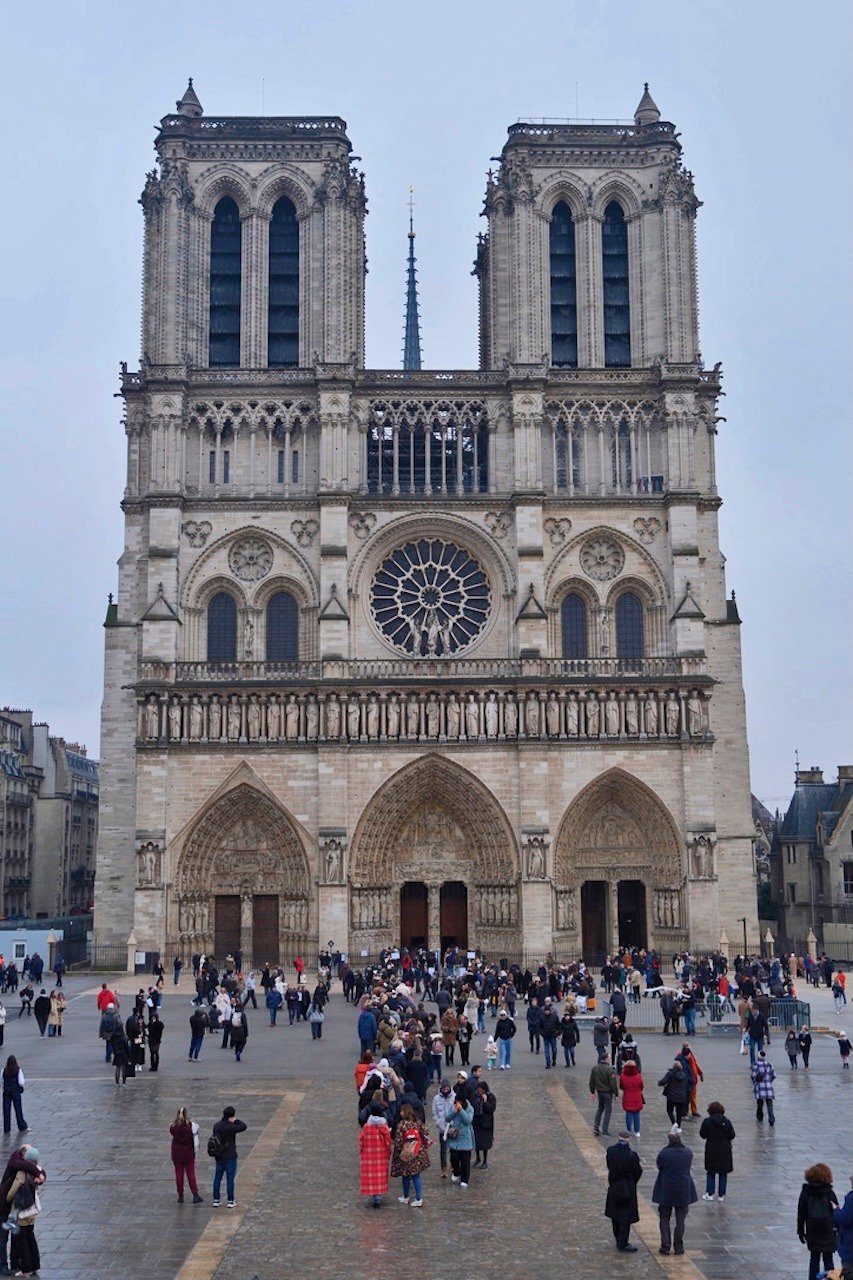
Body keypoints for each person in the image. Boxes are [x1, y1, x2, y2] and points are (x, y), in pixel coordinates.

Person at [652, 1125, 698, 1256]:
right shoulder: (688, 1153)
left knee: (664, 1218)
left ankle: (665, 1246)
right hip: (683, 1189)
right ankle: (679, 1246)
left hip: (666, 1189)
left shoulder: (664, 1153)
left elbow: (660, 1166)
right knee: (681, 1220)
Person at [0, 1144, 44, 1275]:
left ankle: (16, 1264)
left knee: (18, 1235)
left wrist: (41, 1175)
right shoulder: (16, 1162)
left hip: (17, 1208)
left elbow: (40, 1171)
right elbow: (12, 1191)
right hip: (6, 1205)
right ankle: (4, 1265)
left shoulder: (26, 1166)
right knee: (4, 1237)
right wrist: (38, 1174)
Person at [798, 1163, 839, 1280]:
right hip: (828, 1231)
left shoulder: (806, 1192)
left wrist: (800, 1231)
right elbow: (836, 1212)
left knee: (814, 1259)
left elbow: (801, 1213)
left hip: (812, 1230)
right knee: (828, 1259)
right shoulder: (829, 1192)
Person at [605, 1131, 643, 1252]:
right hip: (628, 1188)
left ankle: (617, 1239)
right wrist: (632, 1181)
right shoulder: (632, 1155)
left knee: (615, 1215)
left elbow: (609, 1165)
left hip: (614, 1186)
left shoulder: (611, 1151)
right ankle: (623, 1242)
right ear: (628, 1139)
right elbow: (638, 1171)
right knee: (625, 1217)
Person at [391, 1103, 430, 1207]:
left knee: (406, 1175)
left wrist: (397, 1153)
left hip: (406, 1153)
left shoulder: (402, 1124)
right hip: (418, 1152)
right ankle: (416, 1197)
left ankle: (409, 1197)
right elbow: (426, 1131)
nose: (400, 1113)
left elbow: (399, 1140)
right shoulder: (417, 1122)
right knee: (415, 1175)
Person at [210, 1106, 247, 1208]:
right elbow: (243, 1126)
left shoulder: (217, 1125)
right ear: (232, 1115)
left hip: (219, 1156)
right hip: (230, 1156)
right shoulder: (231, 1127)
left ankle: (216, 1199)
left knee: (217, 1178)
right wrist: (235, 1120)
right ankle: (230, 1201)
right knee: (230, 1179)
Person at [699, 1101, 735, 1201]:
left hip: (711, 1149)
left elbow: (702, 1135)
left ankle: (709, 1193)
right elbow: (732, 1135)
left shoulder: (707, 1121)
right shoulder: (726, 1122)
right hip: (724, 1150)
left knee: (711, 1172)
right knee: (723, 1173)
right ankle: (721, 1195)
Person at [359, 1102, 393, 1208]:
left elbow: (361, 1140)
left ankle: (375, 1196)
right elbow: (388, 1141)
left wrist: (362, 1152)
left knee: (372, 1177)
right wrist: (389, 1151)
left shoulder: (366, 1127)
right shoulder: (384, 1127)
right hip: (381, 1155)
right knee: (380, 1175)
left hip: (369, 1155)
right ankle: (378, 1196)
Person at [170, 1106, 204, 1204]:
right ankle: (195, 1195)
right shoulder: (190, 1127)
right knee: (191, 1173)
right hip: (189, 1154)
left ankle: (180, 1196)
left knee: (179, 1175)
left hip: (176, 1154)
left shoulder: (173, 1127)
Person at [446, 1091, 475, 1187]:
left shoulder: (470, 1109)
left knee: (465, 1160)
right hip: (455, 1137)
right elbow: (447, 1118)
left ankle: (464, 1179)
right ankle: (456, 1172)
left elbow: (468, 1120)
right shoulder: (453, 1107)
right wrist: (454, 1112)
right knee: (454, 1158)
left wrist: (461, 1110)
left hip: (465, 1138)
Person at [589, 1053, 619, 1136]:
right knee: (608, 1111)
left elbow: (592, 1081)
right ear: (606, 1059)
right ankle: (605, 1130)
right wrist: (616, 1094)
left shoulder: (595, 1068)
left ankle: (596, 1126)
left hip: (599, 1091)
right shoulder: (609, 1069)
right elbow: (613, 1083)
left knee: (600, 1108)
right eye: (609, 1058)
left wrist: (592, 1092)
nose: (610, 1059)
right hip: (607, 1093)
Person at [432, 1079, 455, 1179]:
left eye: (447, 1089)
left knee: (453, 1149)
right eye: (444, 1089)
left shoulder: (454, 1097)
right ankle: (444, 1168)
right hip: (442, 1129)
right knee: (443, 1150)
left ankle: (453, 1166)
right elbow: (435, 1113)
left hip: (453, 1128)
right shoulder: (436, 1099)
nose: (446, 1091)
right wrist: (440, 1124)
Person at [658, 1058, 690, 1128]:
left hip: (671, 1096)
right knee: (679, 1113)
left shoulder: (670, 1074)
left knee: (669, 1111)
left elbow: (663, 1082)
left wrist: (659, 1083)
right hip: (682, 1097)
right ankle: (678, 1127)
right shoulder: (684, 1075)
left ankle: (674, 1123)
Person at [473, 1080, 496, 1169]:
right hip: (477, 1122)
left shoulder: (491, 1096)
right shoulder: (475, 1096)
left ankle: (485, 1161)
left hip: (486, 1123)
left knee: (485, 1143)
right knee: (477, 1142)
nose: (479, 1091)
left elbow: (491, 1109)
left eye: (481, 1089)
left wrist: (485, 1101)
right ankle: (478, 1158)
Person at [1, 1057, 27, 1134]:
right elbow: (21, 1082)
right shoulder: (18, 1070)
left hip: (6, 1091)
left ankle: (7, 1128)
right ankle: (22, 1126)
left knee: (6, 1110)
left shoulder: (4, 1070)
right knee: (18, 1109)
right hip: (15, 1091)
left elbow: (1, 1080)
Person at [618, 1059, 644, 1136]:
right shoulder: (638, 1076)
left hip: (627, 1096)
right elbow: (641, 1087)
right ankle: (637, 1131)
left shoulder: (622, 1076)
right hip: (637, 1097)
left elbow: (621, 1086)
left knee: (628, 1114)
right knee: (636, 1114)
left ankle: (628, 1130)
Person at [834, 1172, 853, 1272]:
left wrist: (836, 1210)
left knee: (848, 1272)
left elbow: (844, 1219)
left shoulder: (852, 1199)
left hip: (850, 1248)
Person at [751, 1051, 776, 1126]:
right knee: (769, 1104)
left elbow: (753, 1075)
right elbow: (774, 1075)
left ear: (759, 1056)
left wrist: (755, 1083)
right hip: (768, 1087)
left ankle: (760, 1116)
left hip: (760, 1087)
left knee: (760, 1103)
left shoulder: (756, 1064)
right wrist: (769, 1081)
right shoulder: (769, 1064)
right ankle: (771, 1119)